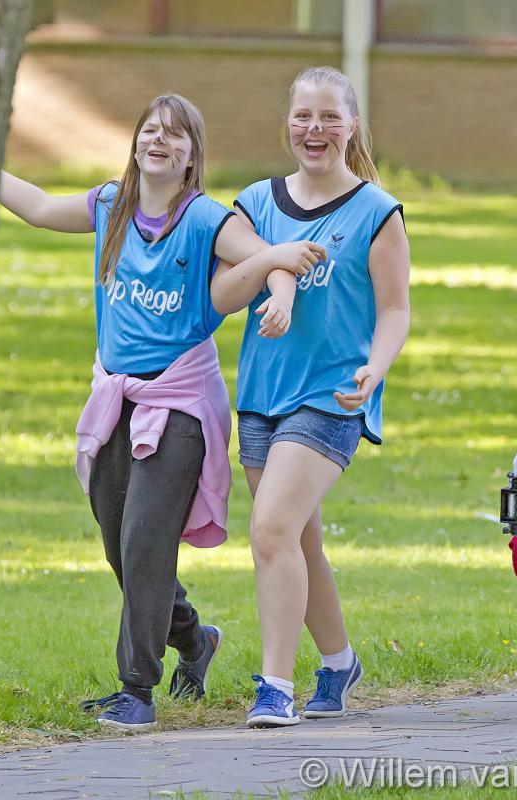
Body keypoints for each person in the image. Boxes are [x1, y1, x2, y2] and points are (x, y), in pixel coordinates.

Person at [0, 94, 319, 730]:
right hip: (116, 396)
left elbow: (273, 256)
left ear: (192, 155)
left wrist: (281, 297)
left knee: (145, 540)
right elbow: (37, 207)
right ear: (136, 142)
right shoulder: (110, 206)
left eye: (175, 135)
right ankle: (195, 639)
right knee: (121, 546)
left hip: (179, 404)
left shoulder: (204, 219)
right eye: (150, 131)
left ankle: (136, 692)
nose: (160, 142)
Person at [210, 67, 411, 727]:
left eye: (329, 117)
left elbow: (395, 309)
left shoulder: (377, 212)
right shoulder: (255, 203)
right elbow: (223, 296)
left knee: (271, 528)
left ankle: (275, 686)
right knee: (297, 538)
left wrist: (376, 367)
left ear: (352, 126)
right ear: (288, 124)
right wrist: (272, 264)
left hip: (333, 396)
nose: (315, 129)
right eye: (303, 116)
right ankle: (339, 662)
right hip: (263, 394)